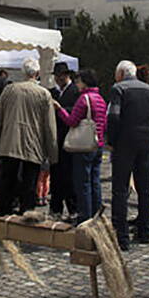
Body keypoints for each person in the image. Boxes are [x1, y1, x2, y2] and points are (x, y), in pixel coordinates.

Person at [107, 60, 149, 250]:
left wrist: (112, 140)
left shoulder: (118, 89)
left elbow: (114, 116)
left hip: (124, 143)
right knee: (144, 188)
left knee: (120, 189)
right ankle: (145, 231)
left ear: (120, 74)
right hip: (145, 143)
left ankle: (121, 235)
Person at [0, 58, 58, 215]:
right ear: (37, 73)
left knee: (7, 181)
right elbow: (49, 126)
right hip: (33, 145)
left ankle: (5, 215)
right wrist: (53, 154)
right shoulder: (44, 94)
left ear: (23, 73)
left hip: (9, 143)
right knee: (30, 184)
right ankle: (27, 216)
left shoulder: (9, 90)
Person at [54, 68, 107, 226]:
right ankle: (96, 215)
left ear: (84, 82)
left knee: (82, 183)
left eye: (78, 81)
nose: (76, 84)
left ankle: (85, 218)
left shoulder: (84, 99)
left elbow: (72, 121)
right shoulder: (100, 98)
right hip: (97, 144)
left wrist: (59, 110)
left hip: (83, 146)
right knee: (95, 182)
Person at [49, 62, 80, 220]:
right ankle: (56, 207)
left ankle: (73, 208)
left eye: (62, 76)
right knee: (55, 174)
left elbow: (77, 111)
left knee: (69, 175)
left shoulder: (75, 91)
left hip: (70, 137)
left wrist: (60, 109)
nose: (59, 78)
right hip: (55, 137)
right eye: (57, 76)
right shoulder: (52, 92)